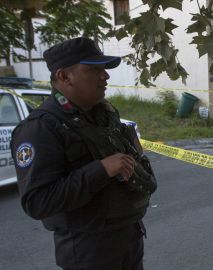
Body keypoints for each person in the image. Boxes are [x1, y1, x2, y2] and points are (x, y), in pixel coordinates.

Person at [10, 37, 157, 270]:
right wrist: (101, 169)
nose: (105, 76)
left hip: (128, 237)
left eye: (104, 69)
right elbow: (37, 202)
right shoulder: (41, 128)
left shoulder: (104, 116)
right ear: (64, 76)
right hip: (89, 251)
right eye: (94, 70)